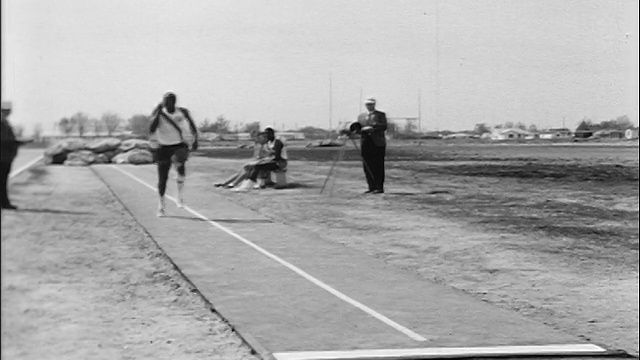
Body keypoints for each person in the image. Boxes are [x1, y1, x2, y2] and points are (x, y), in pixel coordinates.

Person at [148, 92, 199, 216]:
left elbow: (192, 126)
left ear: (174, 102)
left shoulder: (183, 112)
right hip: (162, 147)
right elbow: (151, 129)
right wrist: (158, 112)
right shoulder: (158, 113)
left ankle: (179, 196)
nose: (167, 103)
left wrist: (196, 140)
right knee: (162, 178)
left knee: (180, 166)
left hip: (179, 145)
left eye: (170, 101)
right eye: (165, 101)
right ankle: (161, 205)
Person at [233, 127, 287, 191]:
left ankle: (247, 186)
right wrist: (264, 160)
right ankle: (248, 183)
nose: (266, 135)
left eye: (268, 134)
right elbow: (270, 155)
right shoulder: (269, 143)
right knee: (253, 166)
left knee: (257, 166)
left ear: (272, 134)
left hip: (280, 162)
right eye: (265, 134)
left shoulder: (277, 142)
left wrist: (265, 161)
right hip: (274, 161)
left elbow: (277, 157)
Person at [1, 101, 32, 210]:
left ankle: (4, 202)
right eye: (5, 111)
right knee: (2, 181)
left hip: (6, 157)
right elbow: (5, 140)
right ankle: (4, 203)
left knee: (3, 181)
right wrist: (19, 142)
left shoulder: (5, 123)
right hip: (3, 157)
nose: (7, 113)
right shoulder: (2, 123)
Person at [356, 97, 387, 194]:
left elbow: (384, 126)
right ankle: (371, 186)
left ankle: (379, 187)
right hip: (365, 142)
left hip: (378, 142)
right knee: (367, 165)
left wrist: (373, 127)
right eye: (367, 104)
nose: (369, 106)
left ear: (374, 104)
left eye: (371, 104)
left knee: (378, 165)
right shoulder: (361, 116)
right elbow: (358, 128)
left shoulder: (381, 115)